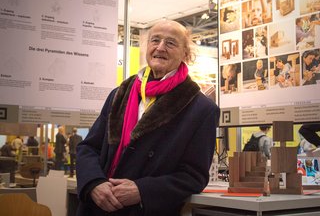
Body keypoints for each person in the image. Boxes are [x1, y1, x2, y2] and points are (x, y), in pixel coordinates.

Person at [75, 20, 220, 216]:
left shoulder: (201, 109)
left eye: (170, 43)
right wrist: (93, 183)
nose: (160, 47)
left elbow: (193, 176)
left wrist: (142, 190)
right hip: (97, 207)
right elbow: (88, 147)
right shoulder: (120, 94)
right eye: (155, 40)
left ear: (186, 54)